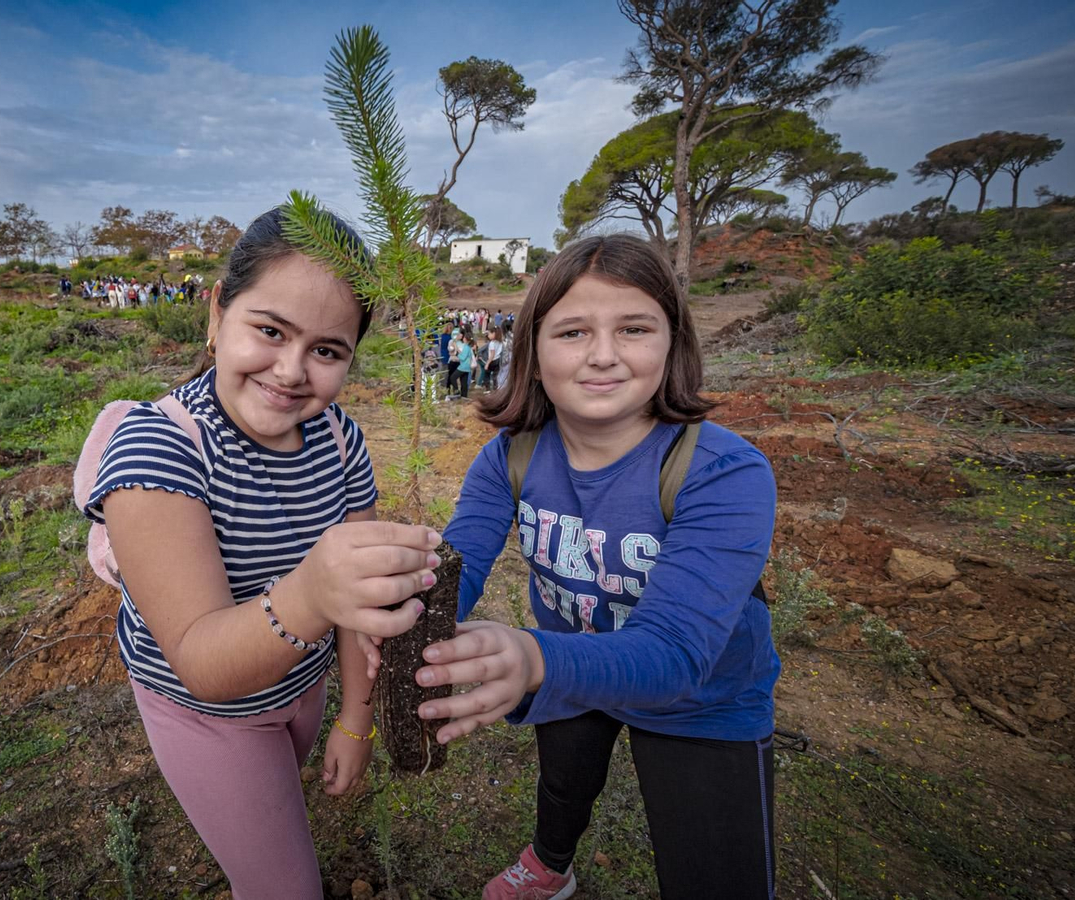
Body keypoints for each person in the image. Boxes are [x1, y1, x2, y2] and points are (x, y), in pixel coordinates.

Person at [85, 207, 438, 900]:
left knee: (282, 796)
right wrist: (312, 593)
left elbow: (358, 605)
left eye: (327, 351)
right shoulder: (158, 451)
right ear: (217, 313)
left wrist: (356, 718)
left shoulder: (339, 439)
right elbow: (203, 663)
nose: (291, 370)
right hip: (207, 715)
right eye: (270, 331)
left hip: (300, 688)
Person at [415, 235, 778, 899]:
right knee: (562, 780)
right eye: (573, 331)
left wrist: (531, 661)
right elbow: (458, 569)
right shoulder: (509, 457)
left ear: (673, 340)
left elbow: (673, 654)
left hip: (702, 699)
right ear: (533, 350)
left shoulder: (723, 472)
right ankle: (551, 864)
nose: (603, 355)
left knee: (717, 875)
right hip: (573, 669)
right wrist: (405, 599)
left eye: (634, 328)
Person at [450, 335, 475, 399]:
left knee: (452, 378)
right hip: (467, 367)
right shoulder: (468, 347)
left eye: (464, 337)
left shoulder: (466, 347)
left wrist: (456, 354)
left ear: (466, 339)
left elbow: (463, 358)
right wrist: (457, 349)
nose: (463, 338)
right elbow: (463, 354)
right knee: (464, 382)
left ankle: (456, 391)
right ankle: (464, 396)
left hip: (463, 366)